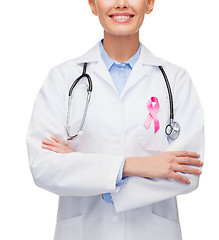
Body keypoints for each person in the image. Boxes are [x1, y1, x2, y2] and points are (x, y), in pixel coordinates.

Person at [27, 0, 204, 239]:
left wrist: (81, 165)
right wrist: (135, 166)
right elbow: (44, 167)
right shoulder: (62, 78)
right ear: (93, 5)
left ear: (149, 4)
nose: (121, 4)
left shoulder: (176, 80)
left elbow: (188, 172)